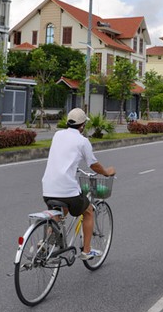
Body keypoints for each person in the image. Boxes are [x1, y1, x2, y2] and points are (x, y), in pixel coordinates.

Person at [42, 107, 116, 260]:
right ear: (82, 126)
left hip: (47, 188)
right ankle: (87, 251)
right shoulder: (83, 141)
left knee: (60, 210)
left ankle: (44, 243)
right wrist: (106, 172)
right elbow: (93, 165)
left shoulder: (57, 134)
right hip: (66, 190)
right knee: (88, 210)